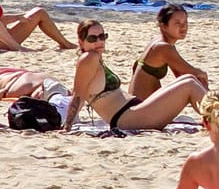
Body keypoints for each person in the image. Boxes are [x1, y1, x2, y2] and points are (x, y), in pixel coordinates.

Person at [69, 17, 206, 131]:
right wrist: (67, 126)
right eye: (92, 39)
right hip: (128, 119)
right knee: (189, 85)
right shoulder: (88, 58)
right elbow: (78, 95)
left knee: (188, 79)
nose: (99, 42)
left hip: (133, 112)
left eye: (102, 37)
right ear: (81, 42)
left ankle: (218, 117)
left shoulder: (95, 59)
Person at [129, 4, 211, 100]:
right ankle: (217, 108)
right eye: (177, 23)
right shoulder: (163, 48)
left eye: (185, 22)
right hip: (142, 109)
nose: (183, 27)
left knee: (191, 82)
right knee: (193, 83)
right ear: (163, 26)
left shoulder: (160, 42)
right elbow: (196, 73)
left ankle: (215, 107)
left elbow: (180, 74)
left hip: (140, 104)